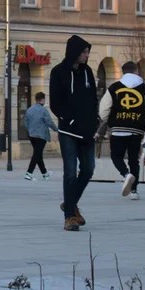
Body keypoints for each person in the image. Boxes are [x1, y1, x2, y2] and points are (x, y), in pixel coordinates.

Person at [49, 35, 98, 232]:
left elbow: (93, 98)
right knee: (70, 171)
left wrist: (94, 122)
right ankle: (69, 216)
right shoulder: (58, 72)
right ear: (75, 52)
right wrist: (69, 120)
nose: (87, 56)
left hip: (86, 130)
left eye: (88, 52)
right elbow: (55, 102)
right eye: (84, 52)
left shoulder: (88, 73)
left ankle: (70, 203)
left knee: (88, 169)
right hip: (69, 130)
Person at [97, 61, 145, 200]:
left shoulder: (114, 87)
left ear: (123, 72)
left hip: (118, 128)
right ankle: (134, 191)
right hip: (136, 129)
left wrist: (108, 120)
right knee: (134, 159)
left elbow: (104, 108)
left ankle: (126, 174)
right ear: (136, 71)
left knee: (116, 156)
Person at [23, 92, 57, 181]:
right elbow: (49, 122)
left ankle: (45, 174)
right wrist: (56, 130)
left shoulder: (29, 109)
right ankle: (29, 173)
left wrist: (30, 130)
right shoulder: (43, 110)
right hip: (41, 136)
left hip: (31, 135)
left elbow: (25, 123)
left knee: (38, 154)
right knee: (37, 154)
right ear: (42, 100)